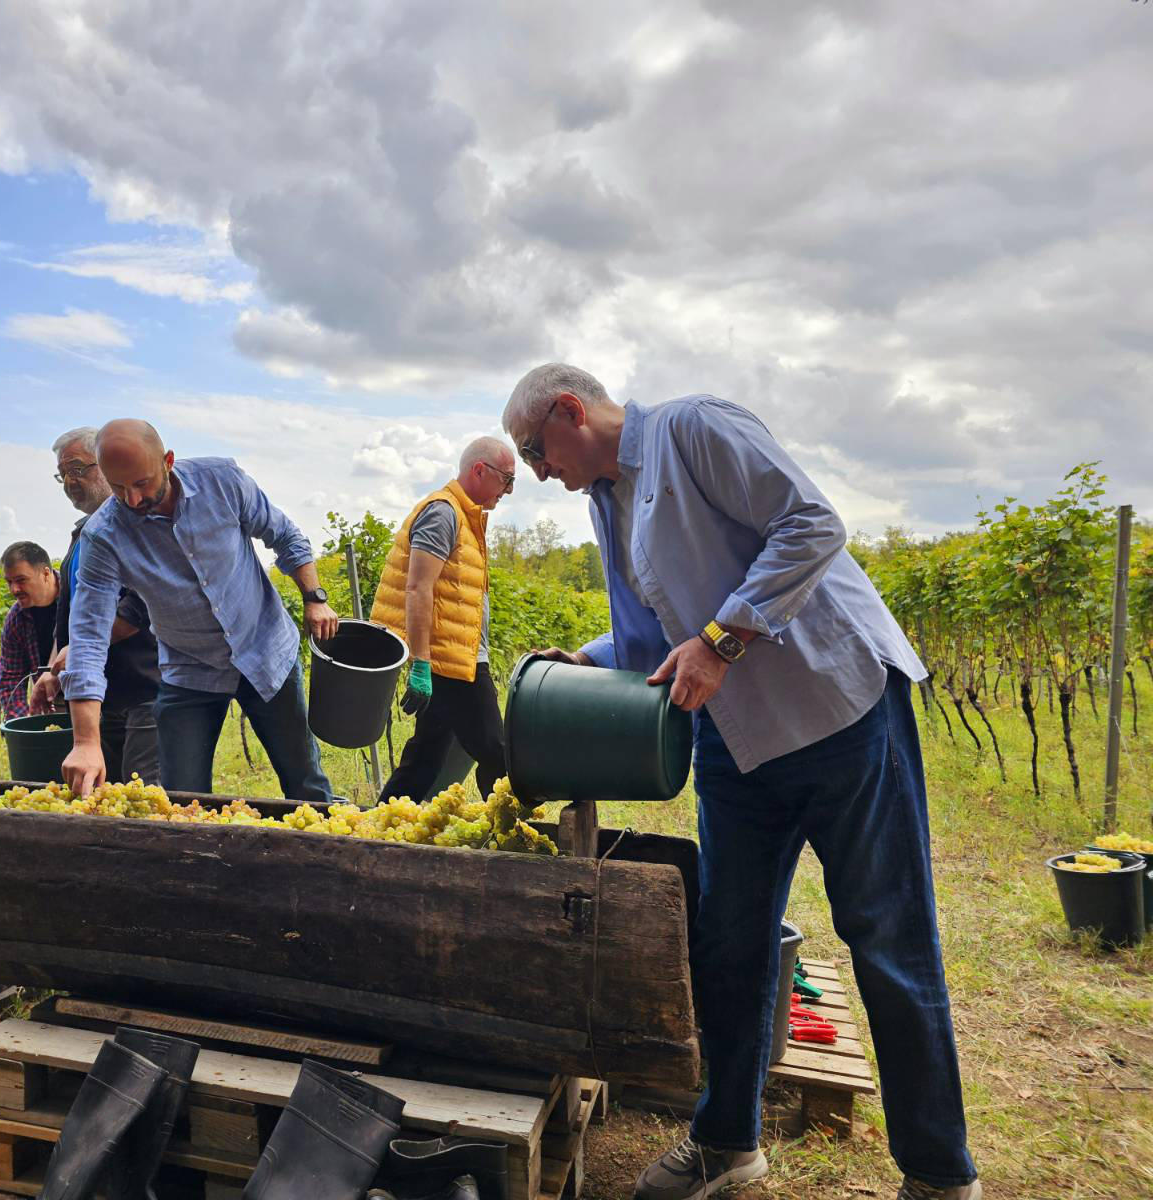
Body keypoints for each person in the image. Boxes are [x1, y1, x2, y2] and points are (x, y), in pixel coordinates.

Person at [501, 364, 979, 1200]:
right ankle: (727, 1143)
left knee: (888, 941)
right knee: (729, 945)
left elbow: (811, 524)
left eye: (537, 452)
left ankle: (940, 1174)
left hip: (838, 712)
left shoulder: (694, 429)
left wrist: (722, 640)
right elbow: (654, 642)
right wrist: (587, 657)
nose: (540, 473)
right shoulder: (606, 504)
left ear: (571, 411)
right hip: (736, 742)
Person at [59, 419, 337, 802]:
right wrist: (86, 741)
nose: (133, 500)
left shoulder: (222, 481)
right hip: (189, 669)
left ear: (168, 461)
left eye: (142, 483)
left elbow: (286, 536)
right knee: (182, 801)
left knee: (306, 784)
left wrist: (315, 598)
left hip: (265, 649)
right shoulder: (103, 535)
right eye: (119, 488)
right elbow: (88, 636)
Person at [369, 436, 514, 802]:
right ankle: (512, 837)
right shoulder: (443, 513)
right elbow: (418, 589)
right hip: (450, 663)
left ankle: (379, 829)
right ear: (479, 470)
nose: (509, 491)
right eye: (507, 480)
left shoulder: (466, 519)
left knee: (425, 757)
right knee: (498, 755)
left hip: (454, 658)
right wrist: (420, 663)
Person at [28, 426, 162, 785]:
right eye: (63, 474)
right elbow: (71, 617)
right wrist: (54, 667)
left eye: (78, 468)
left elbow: (142, 604)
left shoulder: (142, 527)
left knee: (144, 793)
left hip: (148, 687)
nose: (71, 481)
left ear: (105, 465)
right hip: (102, 695)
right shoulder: (81, 535)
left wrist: (82, 648)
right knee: (106, 792)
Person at [0, 541, 60, 721]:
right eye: (9, 582)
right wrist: (23, 724)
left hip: (99, 701)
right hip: (52, 703)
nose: (14, 589)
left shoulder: (78, 598)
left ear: (46, 574)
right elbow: (10, 679)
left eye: (21, 580)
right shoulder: (16, 619)